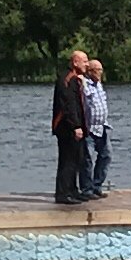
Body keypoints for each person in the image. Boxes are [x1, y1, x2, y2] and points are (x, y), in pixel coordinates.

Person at [50, 53, 90, 202]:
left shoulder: (75, 79)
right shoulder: (67, 79)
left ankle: (72, 190)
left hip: (75, 127)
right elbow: (68, 105)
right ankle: (63, 193)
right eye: (84, 61)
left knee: (76, 159)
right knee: (67, 160)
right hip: (66, 128)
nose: (87, 64)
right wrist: (76, 126)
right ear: (75, 62)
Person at [72, 51, 112, 200]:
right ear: (90, 71)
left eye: (101, 70)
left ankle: (97, 186)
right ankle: (87, 189)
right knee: (87, 159)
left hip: (102, 127)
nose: (100, 73)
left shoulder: (99, 85)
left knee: (106, 156)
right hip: (89, 128)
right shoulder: (84, 83)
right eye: (97, 70)